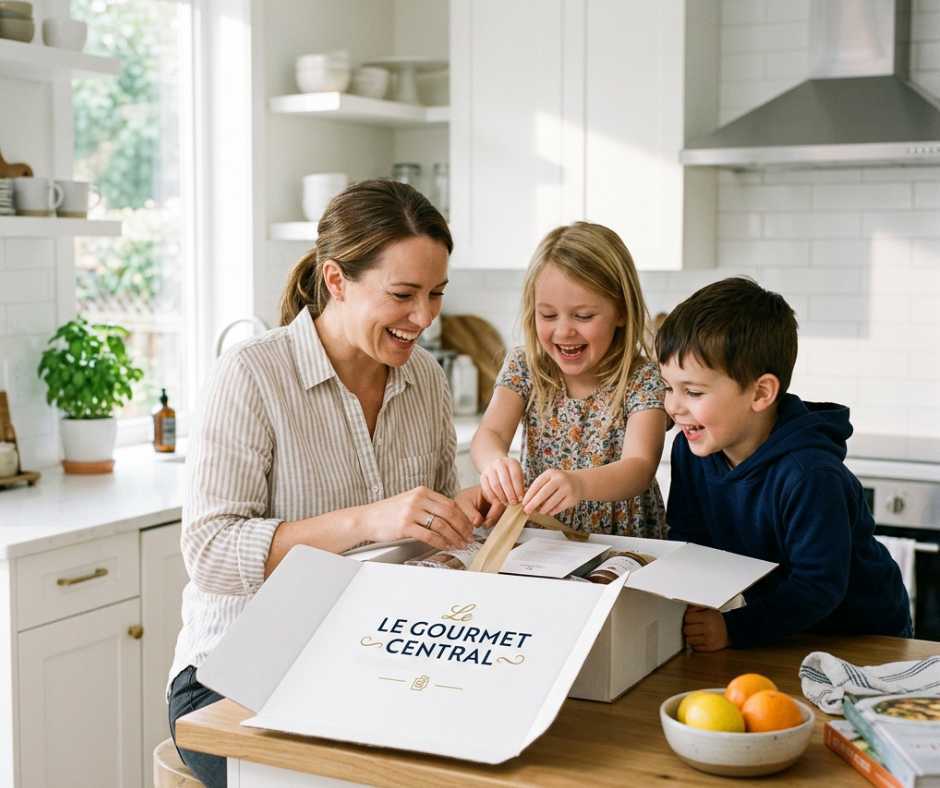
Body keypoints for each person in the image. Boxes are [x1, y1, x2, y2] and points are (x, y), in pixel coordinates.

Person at [167, 180, 501, 787]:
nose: (424, 318)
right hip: (233, 677)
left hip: (371, 663)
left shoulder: (424, 379)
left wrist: (462, 516)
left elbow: (426, 543)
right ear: (336, 280)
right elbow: (211, 553)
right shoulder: (252, 374)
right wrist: (368, 521)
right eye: (402, 294)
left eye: (435, 294)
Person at [656, 277, 911, 652]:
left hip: (863, 635)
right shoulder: (690, 450)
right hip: (783, 627)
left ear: (760, 393)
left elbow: (818, 586)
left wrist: (733, 630)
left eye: (692, 392)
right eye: (668, 387)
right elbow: (689, 538)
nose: (673, 406)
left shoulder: (809, 475)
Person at [471, 221, 668, 537]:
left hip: (623, 543)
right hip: (544, 538)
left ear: (621, 311)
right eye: (548, 315)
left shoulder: (642, 379)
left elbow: (640, 466)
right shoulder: (525, 366)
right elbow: (490, 433)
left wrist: (579, 484)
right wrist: (494, 463)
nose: (563, 331)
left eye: (583, 316)